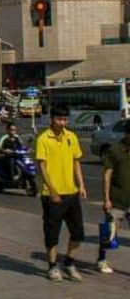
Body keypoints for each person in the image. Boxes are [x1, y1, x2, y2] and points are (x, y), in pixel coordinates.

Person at [36, 105, 87, 282]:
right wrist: (52, 190)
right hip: (52, 195)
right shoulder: (43, 138)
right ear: (52, 119)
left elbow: (76, 162)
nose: (62, 123)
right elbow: (41, 166)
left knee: (78, 232)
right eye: (59, 119)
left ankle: (69, 263)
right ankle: (52, 266)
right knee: (52, 233)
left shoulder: (71, 137)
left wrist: (81, 185)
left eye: (65, 119)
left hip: (71, 192)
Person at [96, 120, 130, 274]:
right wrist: (106, 199)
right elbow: (107, 175)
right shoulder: (114, 150)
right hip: (117, 200)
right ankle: (101, 259)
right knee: (110, 233)